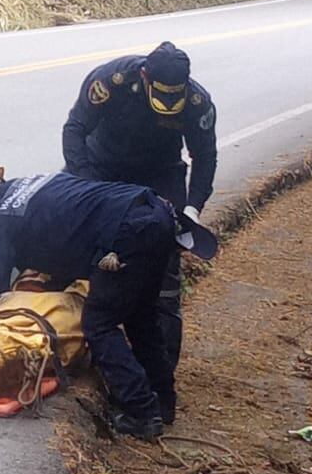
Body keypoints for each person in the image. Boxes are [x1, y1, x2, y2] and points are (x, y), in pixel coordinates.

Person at [0, 164, 184, 440]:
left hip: (125, 231)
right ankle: (163, 403)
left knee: (98, 324)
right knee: (141, 316)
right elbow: (66, 235)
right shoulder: (29, 187)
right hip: (154, 212)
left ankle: (141, 413)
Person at [61, 41, 216, 395]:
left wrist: (191, 209)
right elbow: (74, 129)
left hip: (160, 175)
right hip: (103, 168)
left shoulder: (196, 103)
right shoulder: (111, 81)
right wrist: (85, 186)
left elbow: (205, 157)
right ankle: (68, 345)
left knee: (163, 280)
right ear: (145, 77)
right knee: (74, 245)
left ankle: (157, 382)